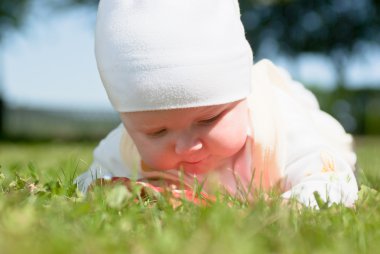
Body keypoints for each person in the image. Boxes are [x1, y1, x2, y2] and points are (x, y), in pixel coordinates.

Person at [75, 0, 358, 208]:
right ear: (129, 124)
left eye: (208, 120)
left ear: (241, 97)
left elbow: (333, 182)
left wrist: (283, 210)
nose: (187, 147)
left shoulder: (276, 128)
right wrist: (114, 190)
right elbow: (88, 182)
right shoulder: (127, 146)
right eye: (157, 133)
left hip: (312, 133)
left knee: (327, 140)